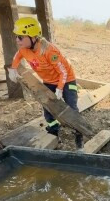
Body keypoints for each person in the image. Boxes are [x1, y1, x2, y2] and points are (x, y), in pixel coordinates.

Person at [8, 17, 83, 149]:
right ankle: (54, 131)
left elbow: (63, 73)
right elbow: (17, 56)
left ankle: (79, 134)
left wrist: (60, 88)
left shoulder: (49, 51)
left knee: (71, 107)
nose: (17, 40)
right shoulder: (24, 49)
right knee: (48, 108)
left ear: (32, 36)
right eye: (16, 36)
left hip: (66, 80)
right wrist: (13, 68)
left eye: (20, 37)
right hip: (48, 81)